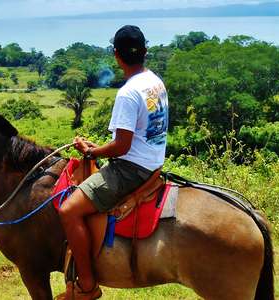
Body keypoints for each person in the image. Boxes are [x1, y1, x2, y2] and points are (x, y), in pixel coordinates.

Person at [58, 25, 169, 300]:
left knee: (69, 210)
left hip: (131, 169)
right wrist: (100, 149)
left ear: (117, 56)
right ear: (144, 51)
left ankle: (86, 286)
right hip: (153, 162)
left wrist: (91, 152)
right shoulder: (155, 82)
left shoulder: (128, 93)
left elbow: (122, 146)